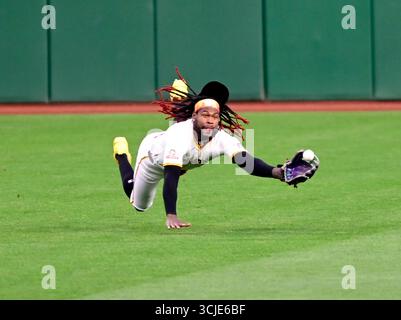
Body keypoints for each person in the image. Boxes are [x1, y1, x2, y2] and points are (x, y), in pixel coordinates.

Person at [112, 73, 288, 229]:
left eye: (215, 116)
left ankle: (177, 101)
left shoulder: (222, 138)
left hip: (181, 160)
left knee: (187, 142)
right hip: (152, 158)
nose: (211, 120)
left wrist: (277, 172)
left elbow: (246, 162)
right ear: (194, 116)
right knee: (139, 205)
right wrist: (171, 215)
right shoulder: (179, 134)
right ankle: (121, 155)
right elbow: (171, 176)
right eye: (205, 115)